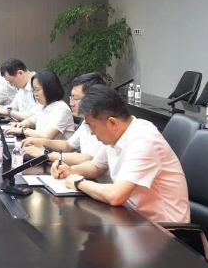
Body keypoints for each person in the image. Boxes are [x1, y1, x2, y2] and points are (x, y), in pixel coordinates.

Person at [51, 85, 190, 224]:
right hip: (132, 217)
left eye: (92, 127)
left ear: (112, 123)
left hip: (165, 229)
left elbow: (116, 196)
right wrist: (70, 171)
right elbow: (96, 167)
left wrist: (78, 182)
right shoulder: (116, 134)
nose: (92, 133)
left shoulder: (144, 140)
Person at [21, 72, 106, 165]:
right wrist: (41, 142)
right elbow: (68, 145)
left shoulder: (103, 124)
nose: (71, 103)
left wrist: (46, 155)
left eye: (76, 99)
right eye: (71, 98)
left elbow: (85, 158)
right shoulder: (86, 121)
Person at [6, 69, 75, 140]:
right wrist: (21, 124)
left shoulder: (61, 109)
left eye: (37, 90)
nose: (35, 94)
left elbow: (47, 136)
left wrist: (23, 130)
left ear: (49, 89)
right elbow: (31, 121)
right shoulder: (44, 105)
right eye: (34, 90)